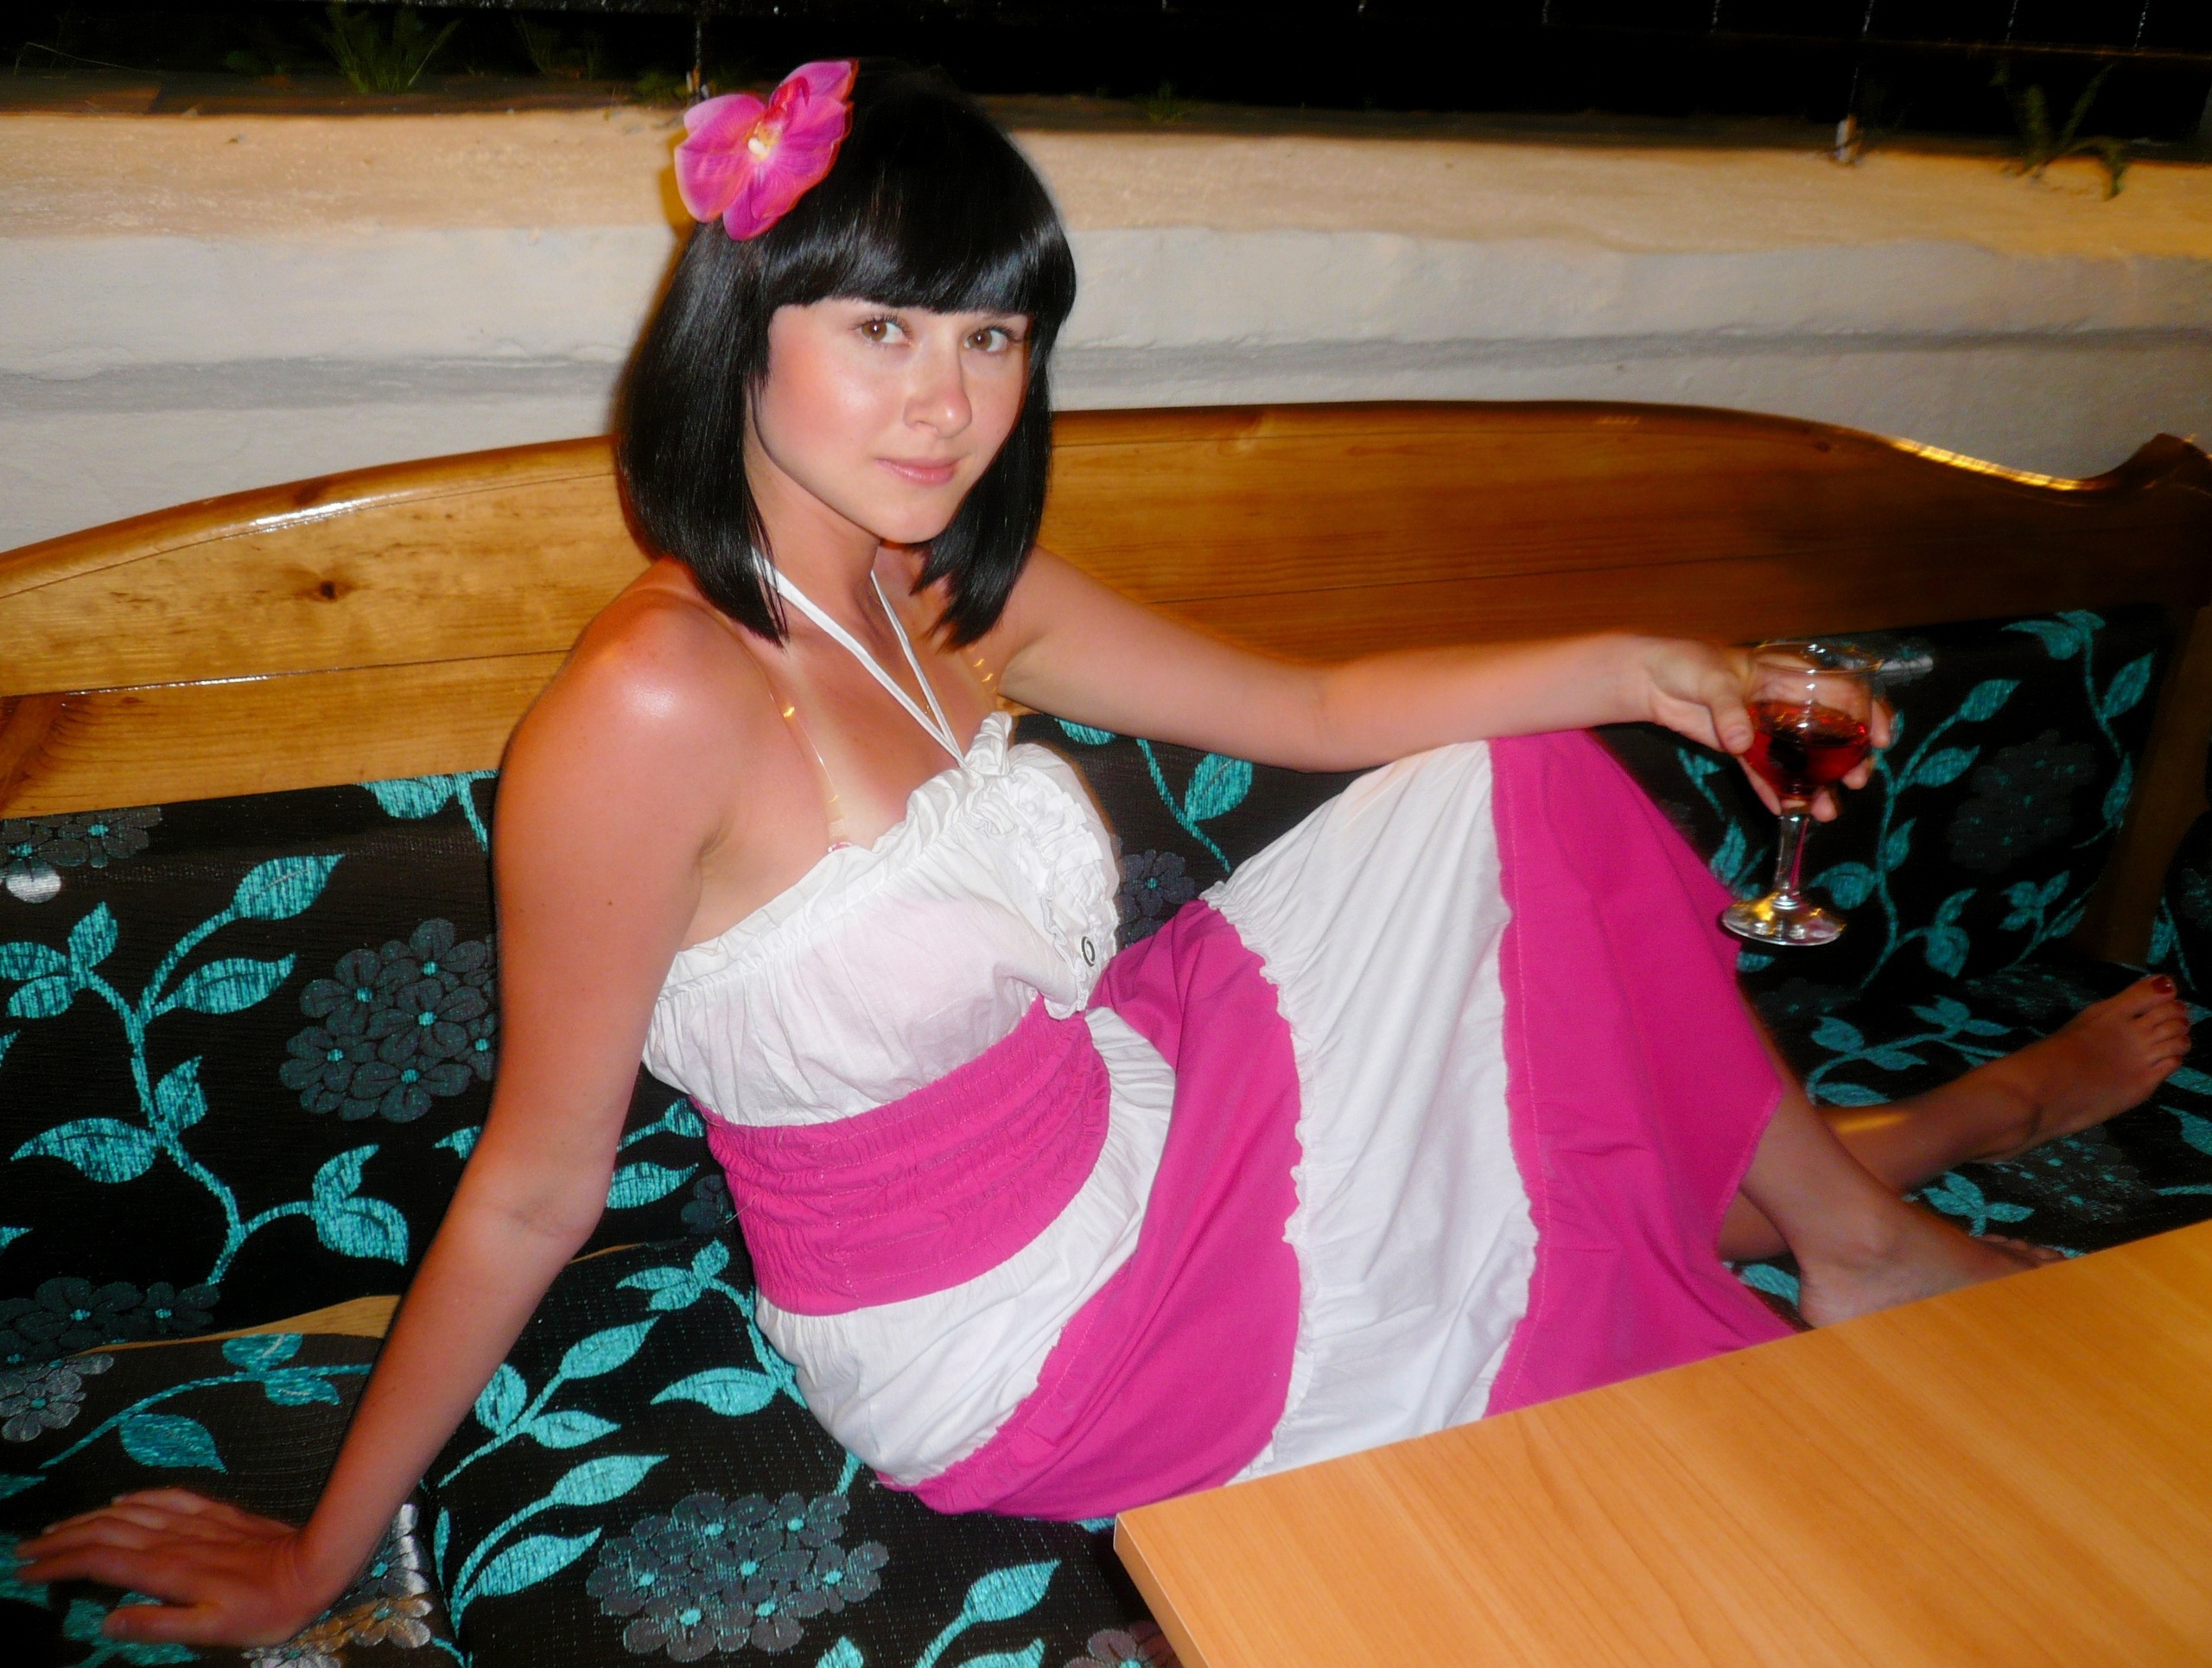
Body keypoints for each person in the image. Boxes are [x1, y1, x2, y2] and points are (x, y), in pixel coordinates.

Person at [20, 60, 2192, 1647]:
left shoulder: (950, 584)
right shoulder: (655, 702)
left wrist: (1648, 665)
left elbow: (1320, 706)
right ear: (739, 325)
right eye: (882, 327)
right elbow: (529, 1180)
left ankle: (1856, 1212)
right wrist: (319, 1554)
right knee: (1500, 1207)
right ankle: (1893, 1161)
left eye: (992, 335)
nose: (946, 400)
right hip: (1017, 1329)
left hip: (1135, 1096)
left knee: (1519, 787)